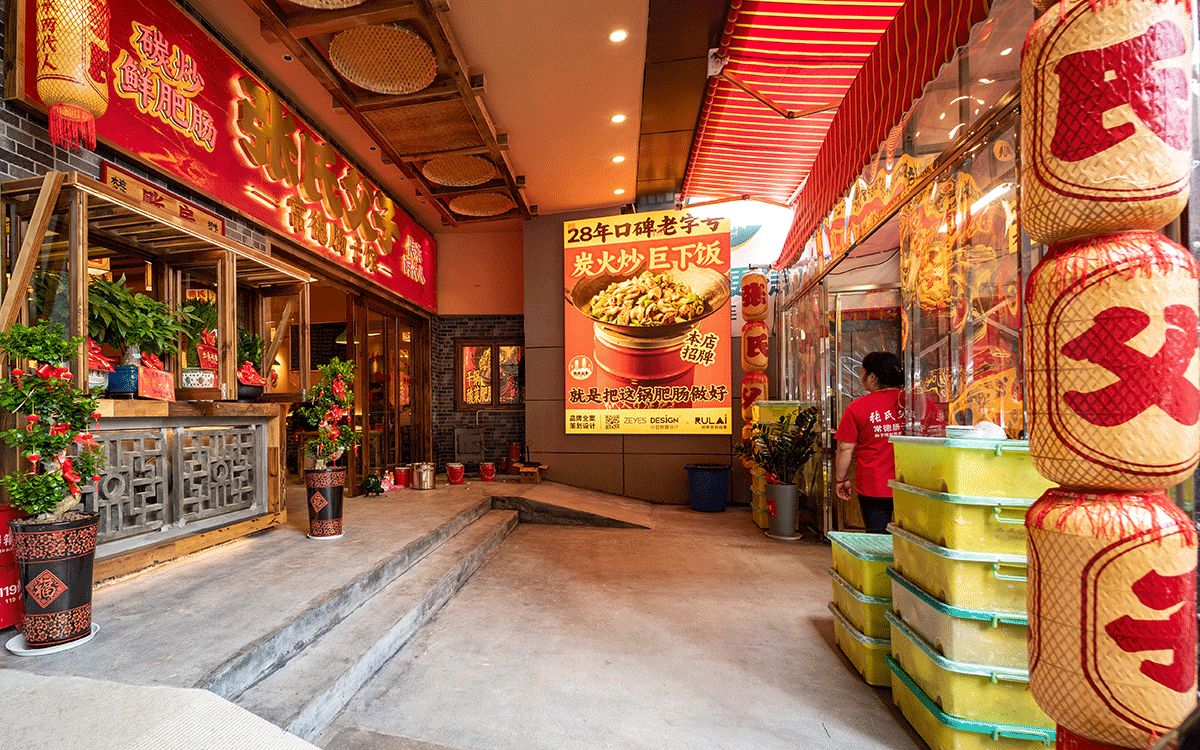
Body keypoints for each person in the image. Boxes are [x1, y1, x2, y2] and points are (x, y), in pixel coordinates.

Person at [834, 351, 941, 532]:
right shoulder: (919, 403)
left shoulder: (857, 407)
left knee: (877, 536)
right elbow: (939, 436)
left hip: (874, 485)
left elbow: (844, 447)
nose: (862, 376)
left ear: (872, 376)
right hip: (913, 483)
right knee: (912, 537)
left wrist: (841, 479)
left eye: (863, 372)